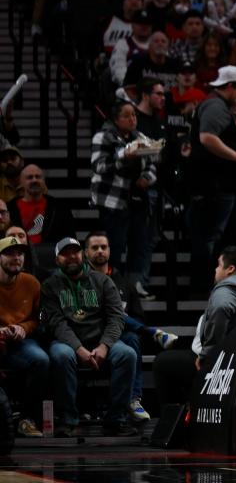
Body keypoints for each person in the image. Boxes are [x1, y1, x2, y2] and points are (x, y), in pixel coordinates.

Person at [41, 237, 139, 437]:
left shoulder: (102, 281)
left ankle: (116, 419)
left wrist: (104, 346)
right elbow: (56, 323)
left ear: (83, 254)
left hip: (100, 341)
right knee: (61, 355)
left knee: (127, 354)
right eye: (65, 254)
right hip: (66, 343)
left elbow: (116, 318)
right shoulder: (50, 285)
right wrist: (79, 349)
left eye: (75, 252)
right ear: (57, 259)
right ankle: (69, 420)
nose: (71, 257)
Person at [84, 232, 178, 423]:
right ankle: (153, 332)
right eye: (95, 247)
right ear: (86, 253)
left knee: (132, 338)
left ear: (110, 250)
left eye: (103, 247)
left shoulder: (123, 281)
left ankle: (134, 400)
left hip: (118, 336)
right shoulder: (81, 279)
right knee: (109, 312)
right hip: (91, 336)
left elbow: (138, 315)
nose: (100, 251)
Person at [187, 65, 236, 296]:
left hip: (225, 187)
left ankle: (225, 280)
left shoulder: (218, 106)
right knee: (211, 237)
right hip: (215, 188)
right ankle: (202, 286)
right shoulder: (215, 106)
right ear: (229, 87)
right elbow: (207, 138)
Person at [90, 100, 159, 300]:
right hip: (112, 201)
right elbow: (99, 166)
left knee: (138, 244)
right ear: (116, 119)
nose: (132, 119)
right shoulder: (103, 137)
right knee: (116, 245)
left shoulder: (141, 137)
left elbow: (153, 164)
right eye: (127, 115)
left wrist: (147, 178)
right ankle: (112, 288)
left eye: (134, 115)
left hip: (137, 199)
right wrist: (125, 155)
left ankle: (134, 287)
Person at [0, 236, 47, 438]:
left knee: (41, 359)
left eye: (19, 253)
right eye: (9, 253)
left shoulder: (32, 283)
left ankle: (27, 419)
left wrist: (24, 328)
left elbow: (40, 319)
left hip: (20, 341)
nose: (16, 258)